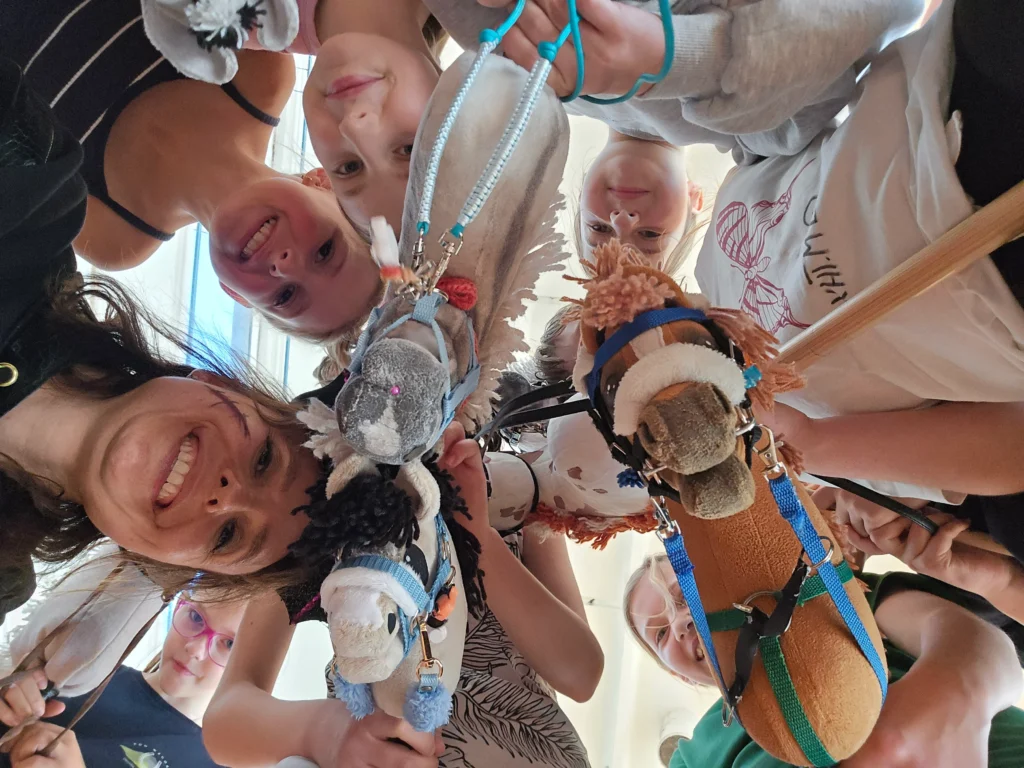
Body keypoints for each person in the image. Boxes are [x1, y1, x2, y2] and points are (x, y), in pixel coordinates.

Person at [0, 54, 332, 626]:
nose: (227, 496)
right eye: (263, 459)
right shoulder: (35, 196)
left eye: (228, 535)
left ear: (160, 565)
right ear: (218, 382)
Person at [202, 423, 602, 768]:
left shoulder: (508, 490)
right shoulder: (315, 521)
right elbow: (224, 719)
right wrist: (326, 731)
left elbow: (581, 674)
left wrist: (475, 537)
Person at [0, 0, 389, 342]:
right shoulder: (261, 73)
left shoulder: (115, 239)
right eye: (325, 251)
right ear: (324, 182)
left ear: (236, 296)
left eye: (285, 296)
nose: (285, 265)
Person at [625, 553, 1024, 767]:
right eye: (660, 634)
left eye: (683, 595)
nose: (680, 623)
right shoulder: (693, 759)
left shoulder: (832, 606)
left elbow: (984, 646)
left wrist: (949, 701)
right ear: (680, 676)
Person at [0, 595, 246, 768]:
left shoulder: (213, 762)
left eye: (229, 644)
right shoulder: (85, 673)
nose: (195, 649)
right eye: (195, 617)